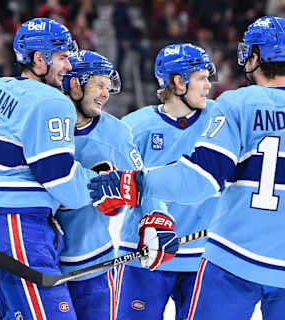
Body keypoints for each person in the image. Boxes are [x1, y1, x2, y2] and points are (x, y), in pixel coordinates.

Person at [88, 16, 285, 319]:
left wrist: (135, 183)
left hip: (233, 264)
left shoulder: (237, 103)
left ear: (254, 56)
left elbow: (198, 180)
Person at [0, 18, 97, 319]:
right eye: (62, 57)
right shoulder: (52, 102)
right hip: (20, 226)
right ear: (39, 59)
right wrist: (103, 185)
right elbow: (61, 179)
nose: (69, 66)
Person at [99, 43, 217, 320]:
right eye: (202, 78)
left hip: (205, 257)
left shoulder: (221, 120)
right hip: (144, 257)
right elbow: (108, 184)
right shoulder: (133, 127)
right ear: (178, 82)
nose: (209, 85)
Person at [56, 49, 172, 320]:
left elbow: (142, 182)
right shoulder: (43, 124)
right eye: (99, 85)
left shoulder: (115, 133)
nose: (106, 94)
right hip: (43, 264)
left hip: (94, 266)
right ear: (75, 83)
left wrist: (157, 219)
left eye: (108, 87)